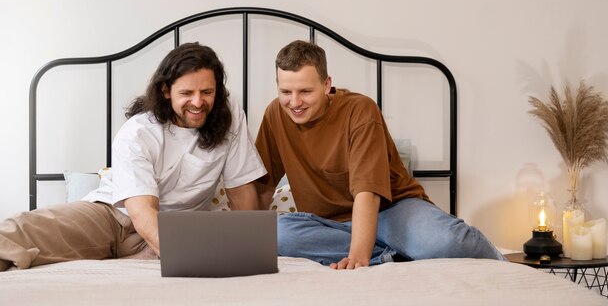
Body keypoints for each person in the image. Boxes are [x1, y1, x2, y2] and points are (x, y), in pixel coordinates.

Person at [0, 42, 266, 271]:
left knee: (227, 237)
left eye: (207, 92)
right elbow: (141, 213)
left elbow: (241, 190)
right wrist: (183, 258)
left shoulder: (229, 116)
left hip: (181, 226)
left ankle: (136, 259)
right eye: (186, 93)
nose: (198, 102)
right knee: (30, 228)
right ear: (165, 90)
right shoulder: (138, 131)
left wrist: (253, 247)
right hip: (114, 216)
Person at [254, 40, 504, 270]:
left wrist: (359, 258)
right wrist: (246, 244)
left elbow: (368, 193)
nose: (294, 102)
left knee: (448, 242)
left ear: (327, 84)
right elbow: (263, 186)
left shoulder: (359, 110)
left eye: (305, 91)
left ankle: (496, 258)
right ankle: (396, 253)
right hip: (328, 225)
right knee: (274, 235)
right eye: (286, 92)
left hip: (392, 210)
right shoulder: (275, 114)